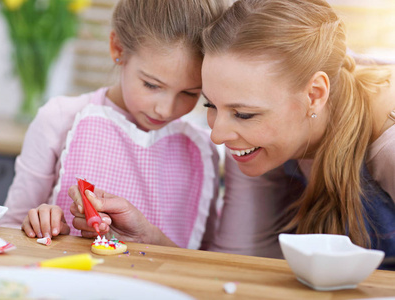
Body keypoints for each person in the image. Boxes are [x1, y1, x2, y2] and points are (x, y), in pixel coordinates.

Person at [69, 0, 395, 266]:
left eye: (243, 114)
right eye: (210, 104)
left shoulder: (387, 144)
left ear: (314, 95)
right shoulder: (262, 138)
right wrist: (149, 240)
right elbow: (240, 266)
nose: (218, 135)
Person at [0, 0, 230, 250]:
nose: (165, 109)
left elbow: (206, 258)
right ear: (118, 48)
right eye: (152, 85)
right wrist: (38, 223)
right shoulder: (57, 118)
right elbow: (10, 227)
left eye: (190, 93)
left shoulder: (201, 150)